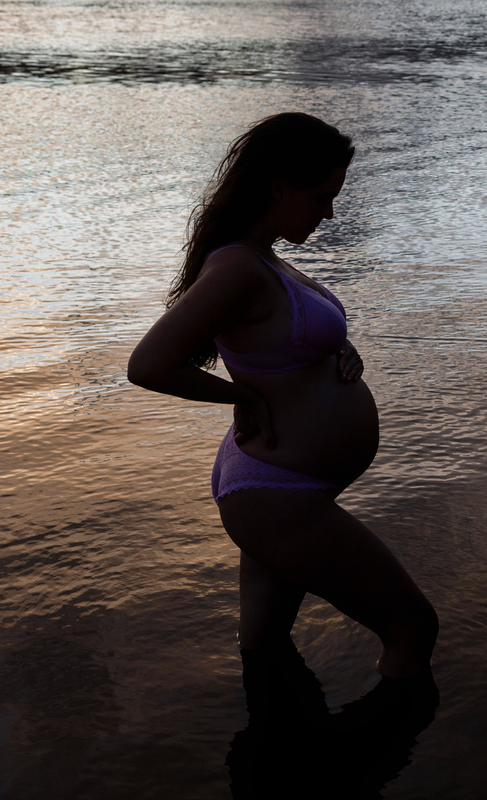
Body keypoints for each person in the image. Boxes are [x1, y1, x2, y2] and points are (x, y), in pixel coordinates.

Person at [127, 113, 439, 725]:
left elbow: (280, 340)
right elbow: (148, 364)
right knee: (412, 629)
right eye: (321, 198)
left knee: (265, 647)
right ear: (278, 187)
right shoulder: (238, 267)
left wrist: (337, 350)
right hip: (279, 494)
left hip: (278, 488)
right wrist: (242, 398)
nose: (329, 214)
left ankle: (274, 761)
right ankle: (386, 758)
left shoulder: (263, 259)